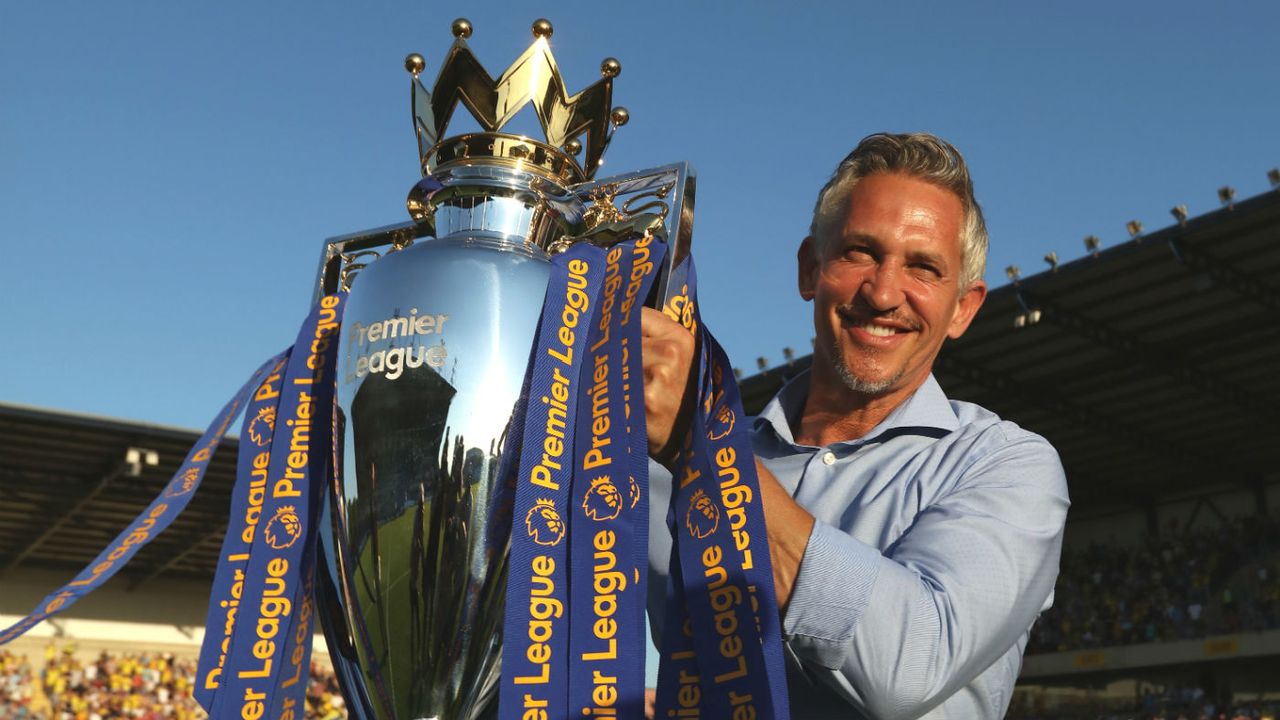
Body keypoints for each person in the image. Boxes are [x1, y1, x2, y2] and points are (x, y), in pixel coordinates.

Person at [641, 132, 1070, 719]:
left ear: (964, 309)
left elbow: (910, 664)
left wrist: (705, 450)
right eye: (860, 252)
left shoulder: (1004, 464)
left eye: (923, 267)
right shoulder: (657, 462)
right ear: (809, 269)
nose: (884, 292)